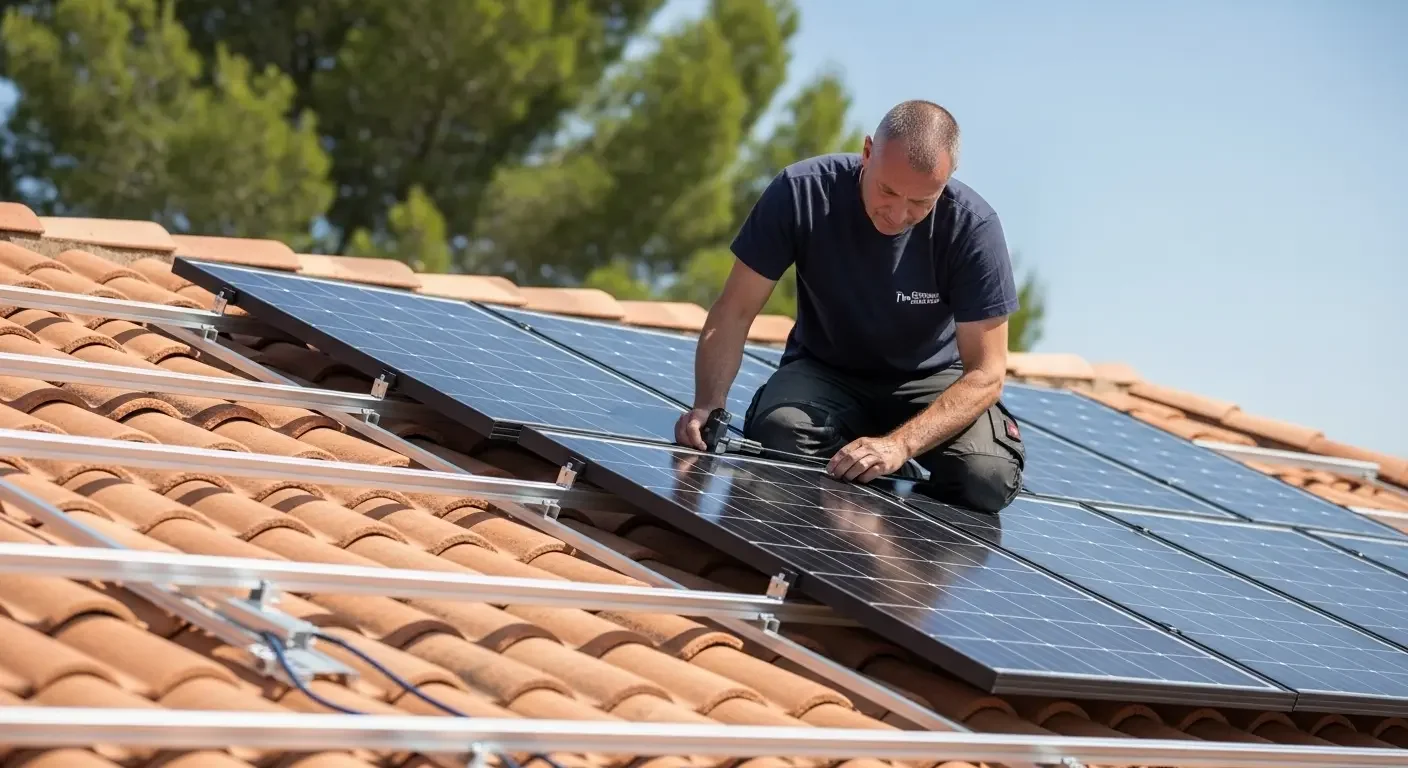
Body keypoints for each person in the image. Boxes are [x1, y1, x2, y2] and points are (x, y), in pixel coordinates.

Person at [673, 99, 1026, 513]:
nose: (897, 214)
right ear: (867, 152)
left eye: (920, 203)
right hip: (825, 370)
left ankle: (893, 500)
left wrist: (899, 446)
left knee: (986, 476)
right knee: (780, 434)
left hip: (928, 379)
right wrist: (708, 403)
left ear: (947, 181)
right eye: (888, 191)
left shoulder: (973, 229)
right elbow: (734, 310)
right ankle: (865, 475)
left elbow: (987, 373)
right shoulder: (800, 192)